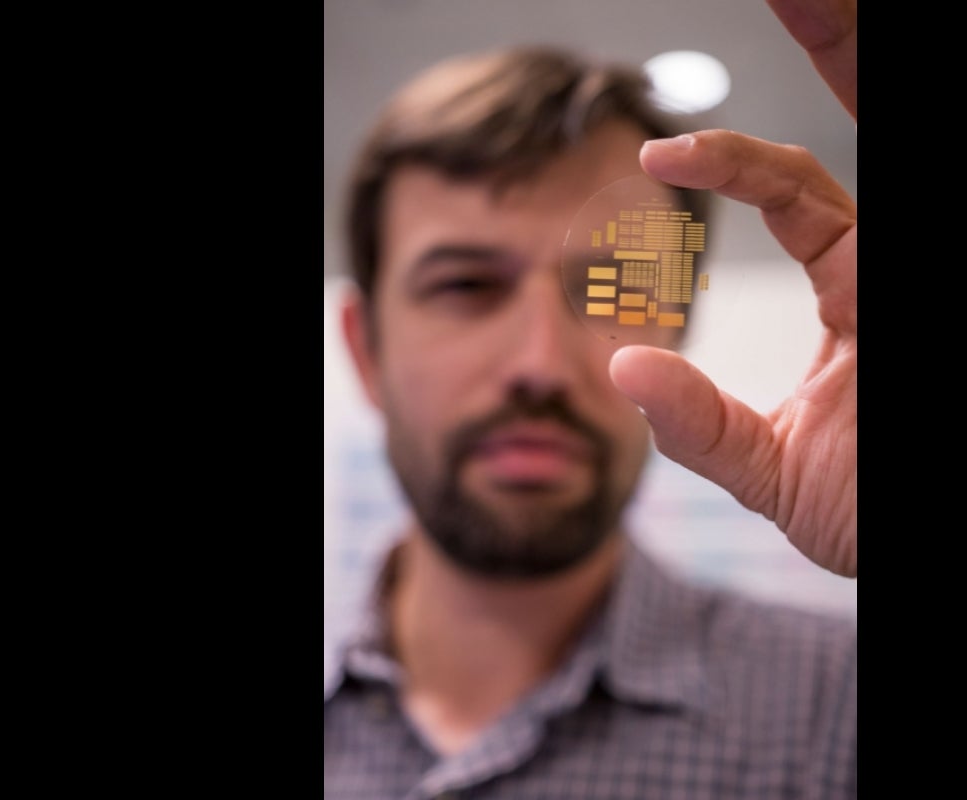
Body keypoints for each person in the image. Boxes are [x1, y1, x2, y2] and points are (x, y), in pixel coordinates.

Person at [325, 0, 857, 796]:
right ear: (366, 351)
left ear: (676, 332)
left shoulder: (836, 709)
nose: (540, 364)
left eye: (613, 291)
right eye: (466, 285)